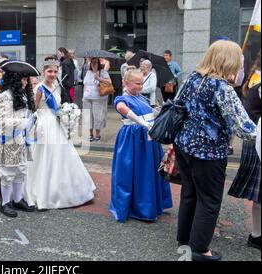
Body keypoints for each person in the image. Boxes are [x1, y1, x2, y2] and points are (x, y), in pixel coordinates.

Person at [174, 40, 257, 261]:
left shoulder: (192, 78)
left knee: (189, 193)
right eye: (238, 61)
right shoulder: (222, 88)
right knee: (209, 200)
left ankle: (185, 240)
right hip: (208, 153)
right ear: (228, 60)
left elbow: (177, 104)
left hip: (183, 145)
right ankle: (199, 250)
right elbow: (244, 127)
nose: (240, 65)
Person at [24, 56, 96, 210]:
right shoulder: (39, 89)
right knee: (46, 157)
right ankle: (45, 192)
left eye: (55, 71)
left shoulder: (57, 86)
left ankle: (65, 189)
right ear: (44, 72)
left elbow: (60, 105)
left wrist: (66, 112)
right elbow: (34, 109)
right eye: (50, 71)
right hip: (45, 125)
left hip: (57, 124)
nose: (52, 74)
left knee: (63, 156)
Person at [110, 66, 172, 223]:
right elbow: (122, 109)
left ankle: (151, 204)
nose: (140, 86)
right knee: (134, 172)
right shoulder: (122, 98)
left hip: (148, 138)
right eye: (137, 83)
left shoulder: (140, 97)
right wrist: (143, 123)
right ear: (126, 83)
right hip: (133, 139)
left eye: (141, 83)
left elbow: (149, 112)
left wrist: (160, 111)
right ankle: (137, 207)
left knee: (150, 171)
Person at [228, 51, 261, 250]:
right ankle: (256, 235)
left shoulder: (254, 76)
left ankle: (257, 234)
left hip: (254, 137)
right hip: (258, 139)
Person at [0, 61, 37, 217]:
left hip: (22, 139)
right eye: (23, 79)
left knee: (21, 169)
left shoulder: (23, 95)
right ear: (14, 79)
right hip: (9, 140)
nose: (26, 82)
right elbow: (2, 121)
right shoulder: (5, 96)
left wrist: (32, 119)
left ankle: (17, 199)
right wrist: (23, 122)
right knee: (7, 172)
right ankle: (5, 203)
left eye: (27, 79)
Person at [82, 57, 112, 142]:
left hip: (99, 98)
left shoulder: (103, 72)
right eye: (92, 62)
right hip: (87, 98)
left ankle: (98, 134)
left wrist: (98, 78)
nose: (94, 64)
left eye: (95, 62)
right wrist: (83, 96)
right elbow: (85, 84)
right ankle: (90, 134)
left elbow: (109, 82)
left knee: (98, 116)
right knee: (88, 116)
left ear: (99, 63)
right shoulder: (88, 72)